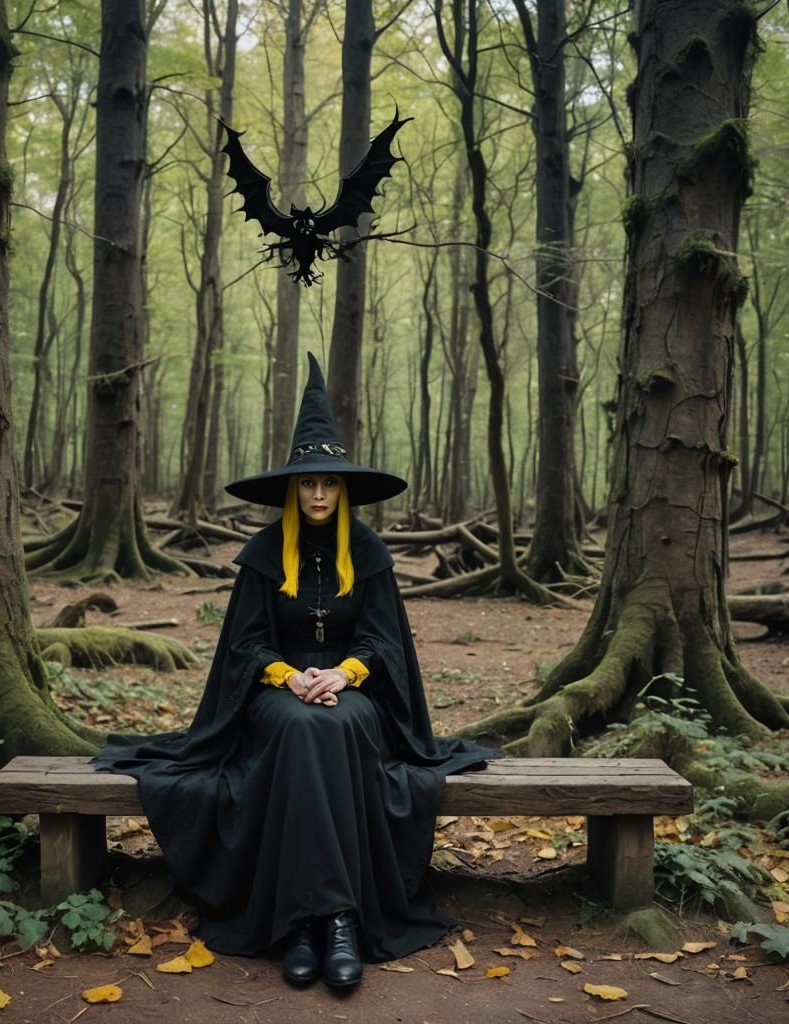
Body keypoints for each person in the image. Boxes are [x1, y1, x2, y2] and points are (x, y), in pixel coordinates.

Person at [94, 353, 494, 989]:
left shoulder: (367, 552)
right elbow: (245, 645)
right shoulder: (261, 554)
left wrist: (343, 674)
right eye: (307, 484)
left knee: (327, 727)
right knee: (300, 726)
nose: (316, 494)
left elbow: (383, 642)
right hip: (274, 693)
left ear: (342, 489)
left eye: (328, 483)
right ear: (291, 489)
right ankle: (326, 919)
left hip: (351, 694)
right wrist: (289, 676)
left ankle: (318, 921)